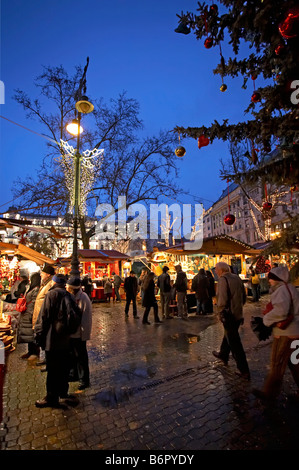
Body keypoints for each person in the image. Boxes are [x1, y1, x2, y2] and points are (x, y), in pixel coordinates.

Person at [34, 274, 82, 408]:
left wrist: (38, 335)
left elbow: (43, 318)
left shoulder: (51, 295)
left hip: (52, 339)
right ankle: (63, 392)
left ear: (54, 283)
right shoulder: (69, 296)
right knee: (63, 368)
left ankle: (51, 397)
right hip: (65, 339)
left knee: (53, 370)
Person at [252, 266, 299, 402]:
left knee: (277, 363)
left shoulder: (282, 290)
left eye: (271, 278)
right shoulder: (291, 288)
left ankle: (269, 393)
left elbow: (281, 311)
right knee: (295, 363)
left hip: (285, 333)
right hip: (295, 332)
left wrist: (266, 319)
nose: (269, 281)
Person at [212, 262, 250, 380]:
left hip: (229, 315)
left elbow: (222, 299)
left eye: (217, 270)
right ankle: (223, 354)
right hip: (238, 314)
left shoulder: (223, 280)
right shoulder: (236, 277)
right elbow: (244, 296)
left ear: (221, 270)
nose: (216, 272)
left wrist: (220, 312)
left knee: (235, 343)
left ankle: (244, 370)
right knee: (228, 334)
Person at [66, 277, 92, 391]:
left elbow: (85, 319)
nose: (66, 288)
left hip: (79, 333)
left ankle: (84, 380)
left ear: (73, 288)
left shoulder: (83, 298)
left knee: (81, 357)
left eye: (68, 287)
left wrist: (83, 333)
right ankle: (74, 374)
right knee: (73, 355)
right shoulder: (72, 296)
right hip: (72, 332)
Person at [31, 264, 56, 367]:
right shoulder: (44, 284)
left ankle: (49, 361)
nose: (41, 275)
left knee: (47, 339)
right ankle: (46, 359)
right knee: (44, 339)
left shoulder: (50, 285)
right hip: (41, 314)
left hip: (44, 316)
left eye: (43, 273)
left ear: (48, 274)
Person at [17, 271, 41, 360]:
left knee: (32, 334)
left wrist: (31, 314)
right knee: (29, 334)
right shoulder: (31, 288)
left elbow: (35, 303)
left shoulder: (36, 289)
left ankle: (34, 352)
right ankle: (30, 351)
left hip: (31, 315)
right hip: (27, 314)